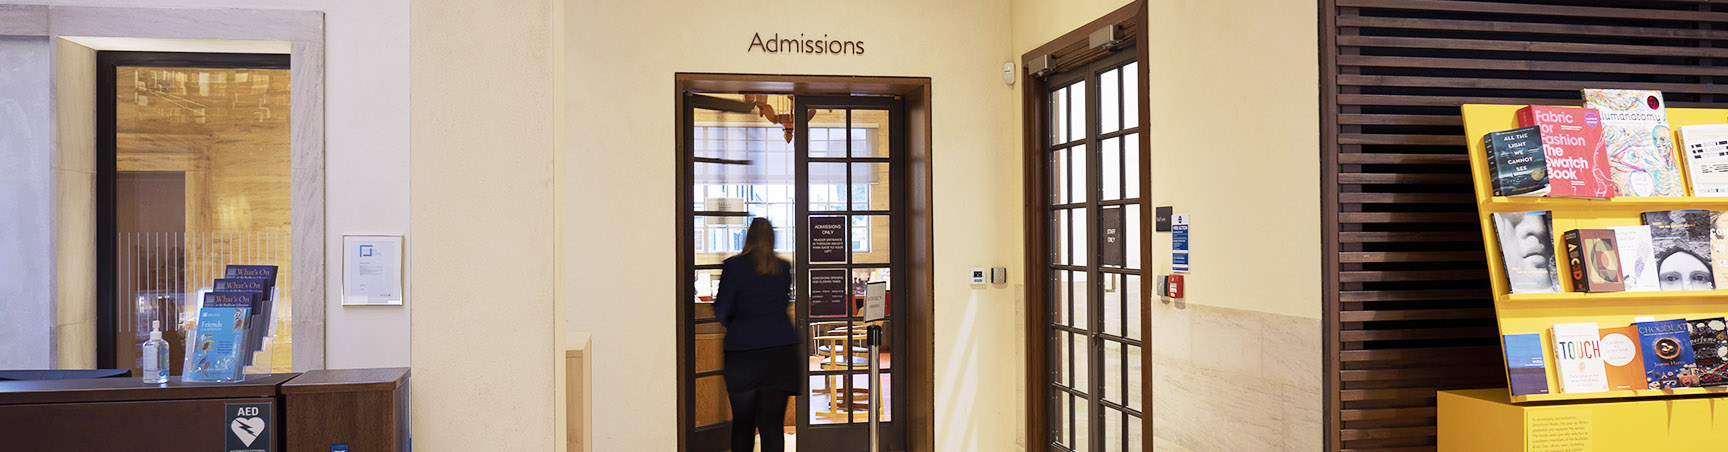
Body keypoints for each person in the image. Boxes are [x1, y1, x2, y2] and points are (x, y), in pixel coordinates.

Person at [714, 218, 800, 452]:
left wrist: (737, 326)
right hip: (780, 353)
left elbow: (721, 309)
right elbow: (782, 304)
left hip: (743, 353)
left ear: (748, 237)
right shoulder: (783, 268)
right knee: (772, 425)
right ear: (772, 239)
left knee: (743, 424)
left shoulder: (734, 266)